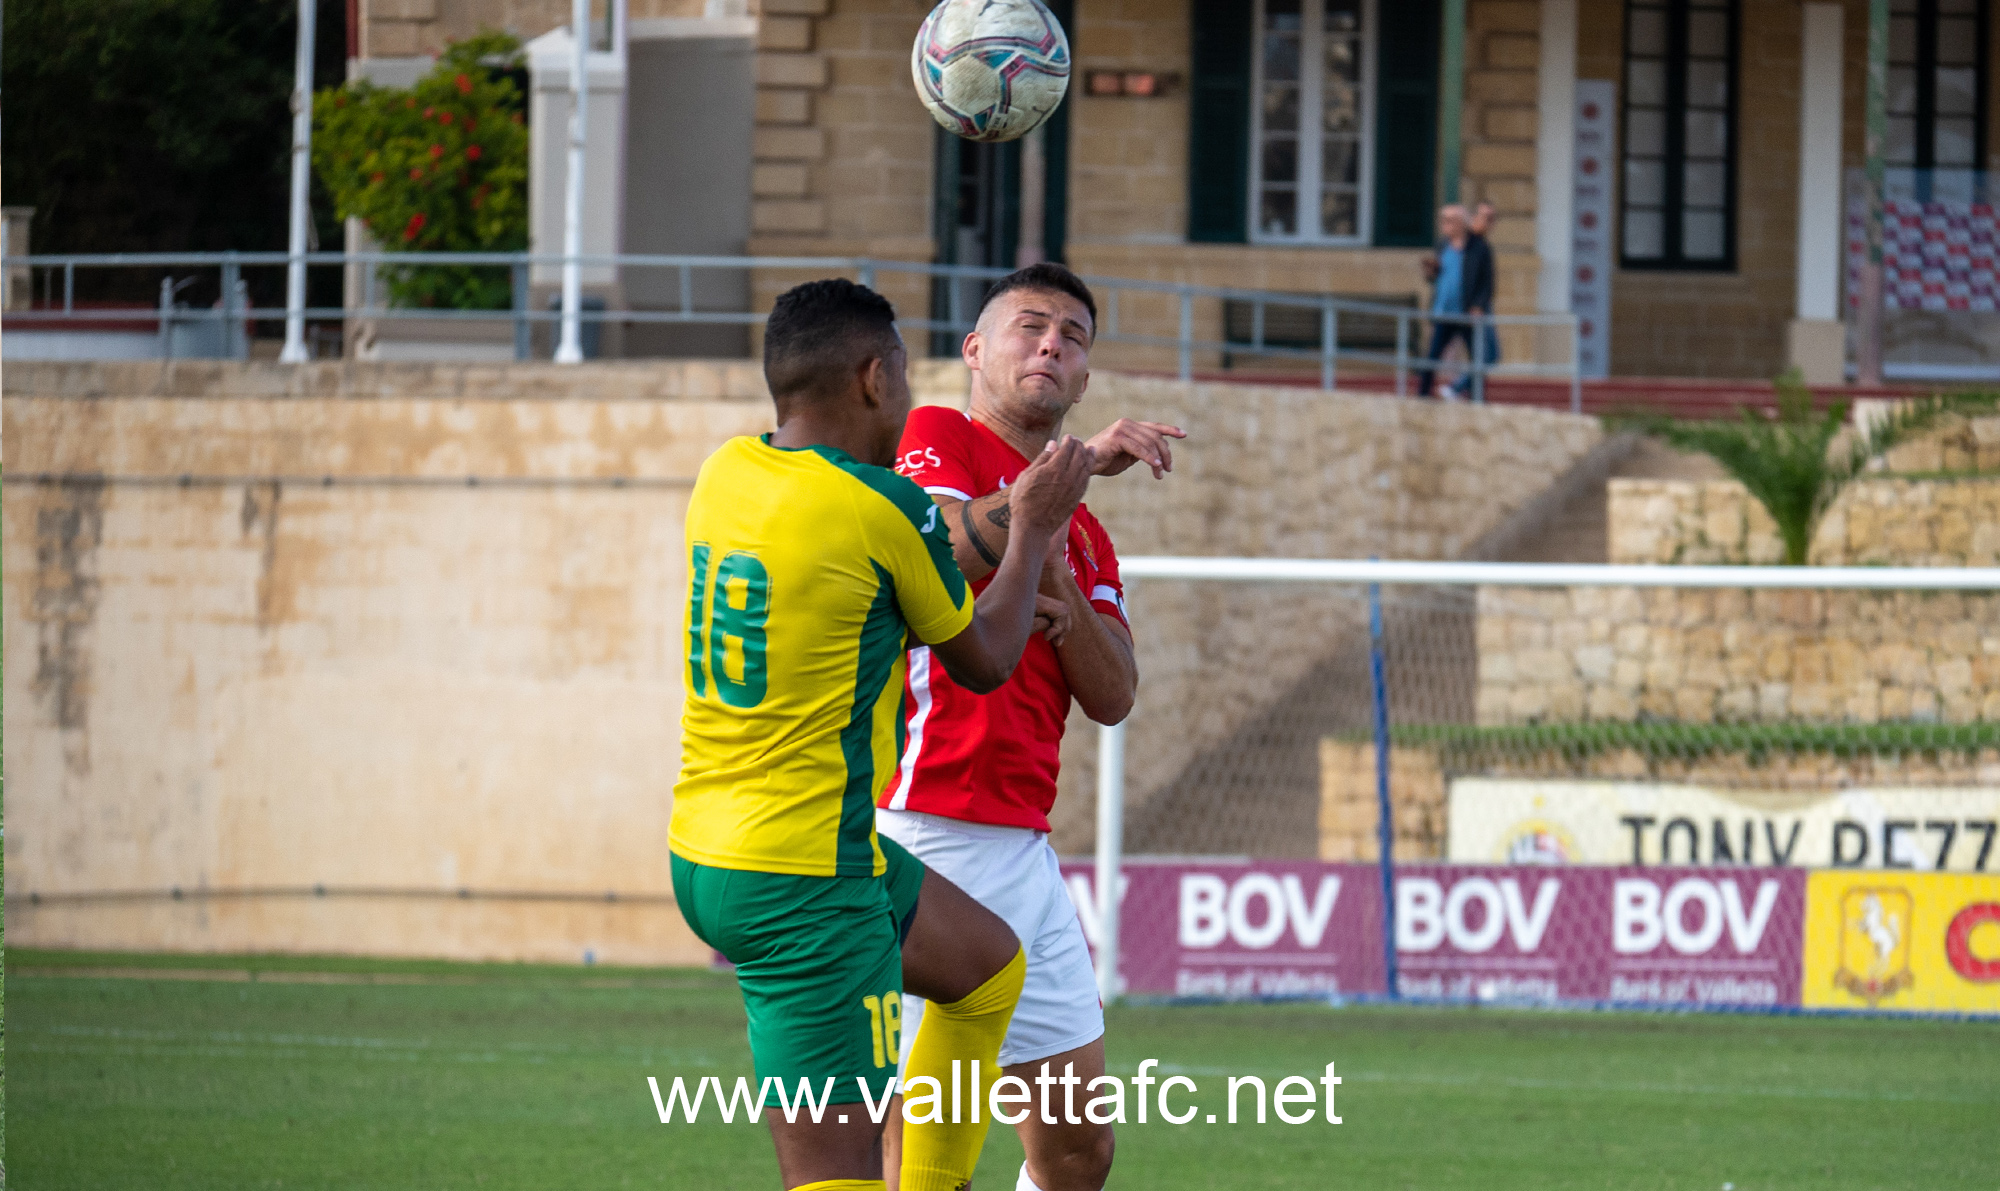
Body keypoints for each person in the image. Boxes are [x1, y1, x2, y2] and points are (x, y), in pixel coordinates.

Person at [669, 278, 1095, 1191]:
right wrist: (1029, 533)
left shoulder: (726, 471)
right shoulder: (882, 511)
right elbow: (984, 659)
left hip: (709, 841)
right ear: (873, 380)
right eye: (900, 375)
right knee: (843, 1176)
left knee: (985, 968)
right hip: (802, 875)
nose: (906, 397)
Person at [879, 263, 1187, 1191]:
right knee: (923, 1156)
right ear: (975, 350)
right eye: (1029, 325)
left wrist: (1064, 594)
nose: (1052, 343)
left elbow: (1115, 691)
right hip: (922, 830)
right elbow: (937, 543)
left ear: (1086, 377)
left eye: (1074, 336)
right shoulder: (938, 435)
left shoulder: (1088, 536)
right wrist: (1073, 475)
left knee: (1077, 1152)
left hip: (1024, 853)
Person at [1419, 203, 1493, 399]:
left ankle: (1478, 399)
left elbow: (1487, 282)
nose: (1445, 224)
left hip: (1465, 312)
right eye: (1443, 220)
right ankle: (1423, 395)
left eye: (1450, 220)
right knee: (1432, 356)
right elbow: (1437, 276)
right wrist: (1431, 271)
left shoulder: (1479, 247)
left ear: (1461, 223)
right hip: (1443, 311)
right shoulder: (1442, 244)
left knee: (1477, 357)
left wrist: (1478, 305)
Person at [1469, 201, 1503, 375]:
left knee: (1488, 354)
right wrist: (1475, 305)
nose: (1490, 223)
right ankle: (1454, 388)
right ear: (1474, 218)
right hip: (1474, 308)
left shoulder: (1483, 246)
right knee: (1488, 354)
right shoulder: (1467, 245)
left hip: (1482, 306)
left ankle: (1459, 389)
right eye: (1487, 218)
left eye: (1493, 219)